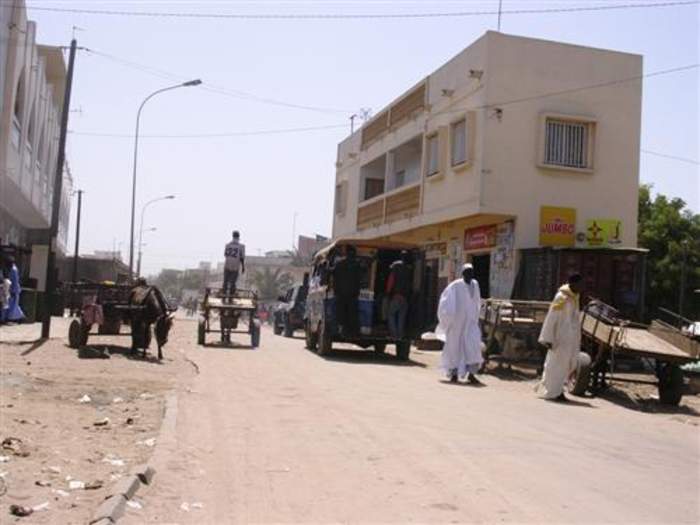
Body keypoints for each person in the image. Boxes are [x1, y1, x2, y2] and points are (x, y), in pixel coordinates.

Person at [536, 273, 589, 402]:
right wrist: (547, 338)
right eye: (581, 284)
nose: (583, 287)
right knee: (556, 366)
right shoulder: (561, 297)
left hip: (569, 338)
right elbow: (551, 318)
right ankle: (552, 392)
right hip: (559, 338)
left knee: (566, 366)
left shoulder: (574, 297)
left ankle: (558, 391)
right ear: (573, 284)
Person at [436, 263, 483, 384]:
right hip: (457, 324)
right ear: (463, 273)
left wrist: (476, 317)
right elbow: (445, 302)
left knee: (473, 347)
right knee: (454, 349)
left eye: (471, 271)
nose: (469, 274)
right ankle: (454, 374)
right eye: (467, 272)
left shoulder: (475, 284)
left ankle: (471, 374)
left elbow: (477, 301)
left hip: (471, 322)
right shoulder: (455, 285)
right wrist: (448, 317)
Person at [333, 245, 362, 336]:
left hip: (341, 294)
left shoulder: (339, 263)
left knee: (341, 314)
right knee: (352, 314)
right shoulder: (357, 264)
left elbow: (333, 275)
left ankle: (342, 330)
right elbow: (362, 274)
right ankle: (352, 332)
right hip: (353, 294)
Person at [385, 251, 411, 339]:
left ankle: (394, 335)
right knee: (401, 317)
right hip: (405, 297)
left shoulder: (396, 267)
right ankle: (400, 336)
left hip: (397, 296)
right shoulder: (408, 268)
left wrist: (388, 292)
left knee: (390, 314)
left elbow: (391, 281)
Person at [2, 256, 25, 323]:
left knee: (13, 305)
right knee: (13, 305)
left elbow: (15, 281)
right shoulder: (12, 268)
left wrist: (13, 291)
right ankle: (19, 317)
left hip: (14, 290)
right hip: (12, 289)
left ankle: (20, 317)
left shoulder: (13, 270)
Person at [223, 230, 245, 299]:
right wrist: (243, 267)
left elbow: (225, 255)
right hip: (235, 267)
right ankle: (230, 298)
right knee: (233, 283)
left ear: (232, 236)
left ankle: (223, 296)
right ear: (238, 237)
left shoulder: (228, 245)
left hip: (227, 265)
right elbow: (242, 258)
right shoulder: (241, 246)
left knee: (225, 282)